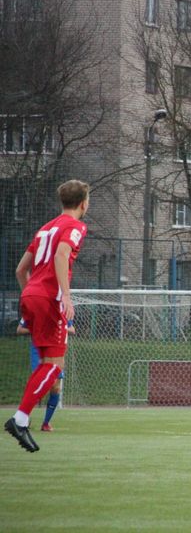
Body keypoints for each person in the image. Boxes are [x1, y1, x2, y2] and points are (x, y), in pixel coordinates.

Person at [6, 180, 90, 453]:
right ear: (83, 204)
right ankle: (20, 419)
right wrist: (64, 296)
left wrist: (30, 295)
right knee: (54, 366)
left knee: (45, 363)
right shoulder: (75, 226)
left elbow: (20, 270)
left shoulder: (45, 228)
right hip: (48, 299)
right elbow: (62, 254)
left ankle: (22, 419)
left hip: (30, 295)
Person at [16, 318, 74, 432]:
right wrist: (38, 329)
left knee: (56, 387)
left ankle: (46, 423)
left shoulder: (63, 311)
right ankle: (23, 418)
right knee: (38, 386)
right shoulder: (35, 310)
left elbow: (72, 330)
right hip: (39, 351)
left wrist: (56, 328)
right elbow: (19, 330)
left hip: (56, 351)